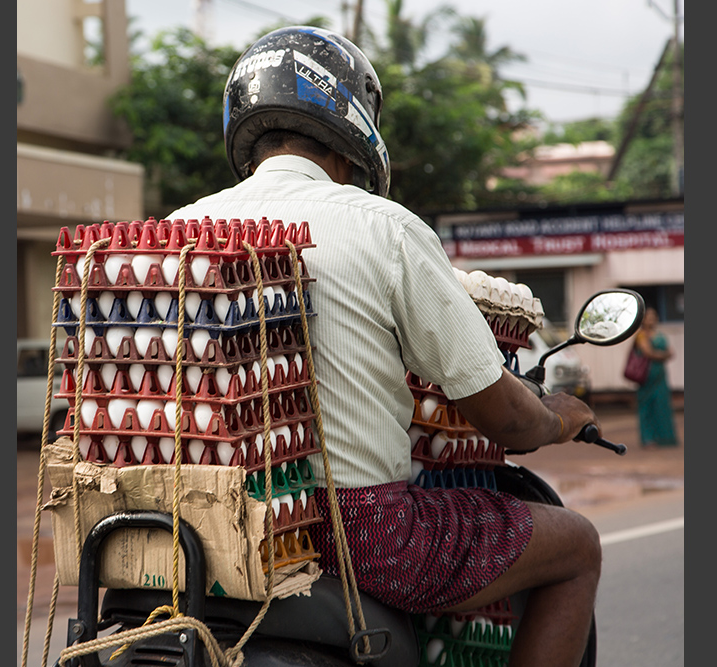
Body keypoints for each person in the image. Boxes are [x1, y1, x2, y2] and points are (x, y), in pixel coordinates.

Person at [167, 26, 602, 667]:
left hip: (200, 528)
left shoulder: (179, 229)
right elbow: (503, 416)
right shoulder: (383, 228)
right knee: (579, 546)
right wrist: (559, 416)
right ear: (353, 127)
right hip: (364, 535)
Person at [633, 307, 678, 447]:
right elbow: (648, 352)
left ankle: (664, 437)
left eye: (654, 316)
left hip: (660, 375)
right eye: (648, 317)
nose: (651, 319)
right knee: (647, 406)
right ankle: (648, 438)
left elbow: (671, 352)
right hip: (647, 375)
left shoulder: (659, 334)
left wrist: (662, 355)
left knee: (662, 404)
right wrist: (664, 355)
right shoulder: (641, 335)